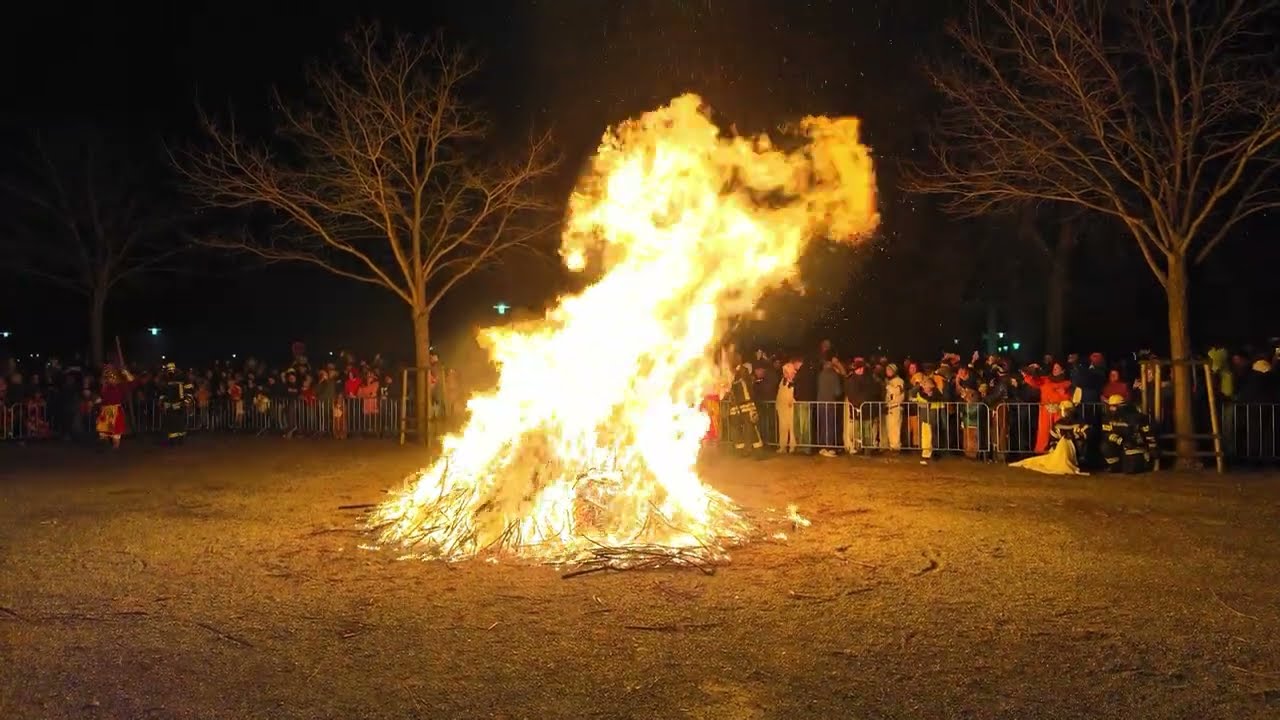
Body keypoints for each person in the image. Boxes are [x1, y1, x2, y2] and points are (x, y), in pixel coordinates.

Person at [1100, 394, 1156, 473]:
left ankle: (1144, 462)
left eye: (1114, 406)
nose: (1111, 408)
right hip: (1121, 443)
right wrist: (1121, 441)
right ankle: (1115, 466)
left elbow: (1148, 432)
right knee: (1105, 446)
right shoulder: (1107, 419)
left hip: (1137, 445)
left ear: (1122, 406)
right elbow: (1107, 434)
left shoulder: (1136, 417)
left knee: (1131, 468)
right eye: (1110, 406)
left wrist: (1152, 447)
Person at [726, 363, 764, 455]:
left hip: (747, 406)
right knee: (736, 427)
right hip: (736, 407)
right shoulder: (733, 381)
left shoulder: (745, 379)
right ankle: (741, 449)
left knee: (750, 427)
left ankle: (757, 449)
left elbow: (747, 394)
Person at [96, 364, 135, 449]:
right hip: (105, 412)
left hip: (116, 411)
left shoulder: (120, 386)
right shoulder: (104, 386)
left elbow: (132, 383)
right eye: (108, 376)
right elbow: (102, 398)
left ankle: (115, 452)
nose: (110, 378)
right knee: (103, 435)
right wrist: (98, 401)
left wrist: (126, 373)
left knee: (115, 436)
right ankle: (105, 452)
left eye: (112, 376)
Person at [160, 363, 194, 445]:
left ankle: (180, 439)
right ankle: (172, 439)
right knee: (170, 422)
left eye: (171, 369)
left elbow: (189, 391)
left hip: (180, 403)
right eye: (169, 369)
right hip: (169, 404)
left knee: (180, 422)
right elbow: (163, 392)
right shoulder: (165, 378)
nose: (170, 371)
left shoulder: (183, 377)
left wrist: (186, 401)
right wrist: (162, 402)